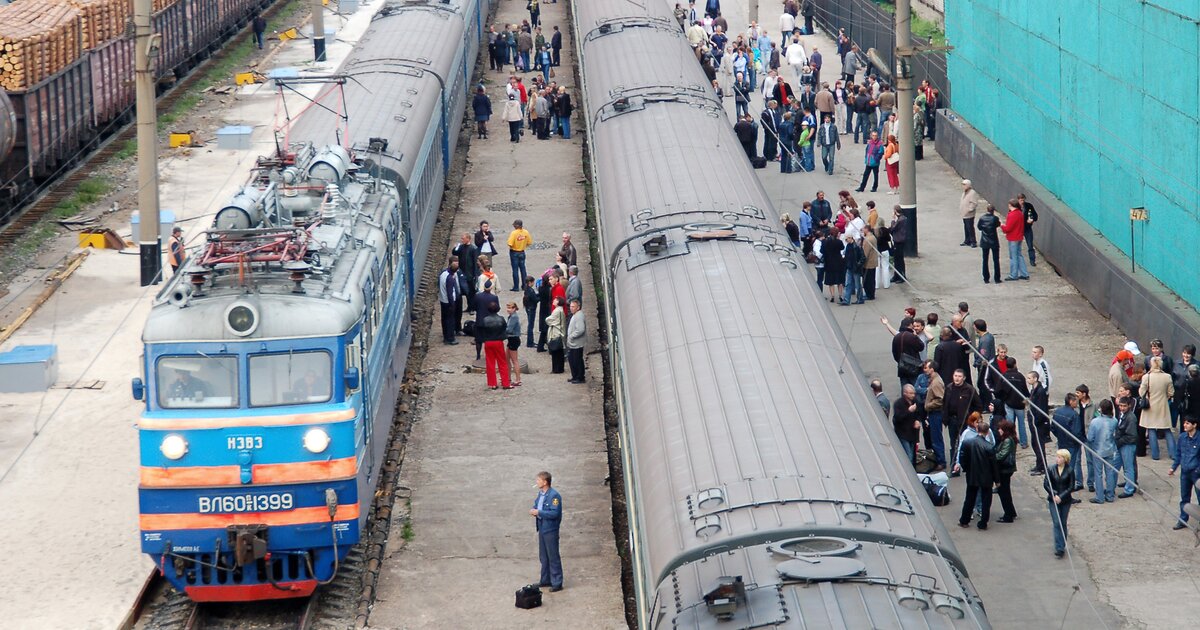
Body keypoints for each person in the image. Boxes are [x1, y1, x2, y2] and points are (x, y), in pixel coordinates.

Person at [958, 418, 997, 530]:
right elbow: (994, 465)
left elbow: (962, 458)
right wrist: (996, 479)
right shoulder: (989, 447)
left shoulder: (967, 443)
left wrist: (966, 469)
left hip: (972, 474)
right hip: (986, 476)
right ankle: (983, 522)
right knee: (986, 500)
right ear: (987, 432)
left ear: (976, 429)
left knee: (969, 497)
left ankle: (964, 520)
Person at [530, 471, 563, 590]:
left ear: (545, 482)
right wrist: (534, 509)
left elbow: (555, 513)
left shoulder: (554, 496)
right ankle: (545, 579)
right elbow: (537, 504)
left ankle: (557, 582)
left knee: (553, 556)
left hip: (550, 529)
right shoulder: (541, 494)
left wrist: (539, 512)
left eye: (539, 480)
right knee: (543, 556)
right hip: (542, 527)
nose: (537, 482)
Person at [1140, 356, 1177, 460]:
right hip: (1163, 405)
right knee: (1167, 429)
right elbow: (1171, 392)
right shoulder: (1167, 377)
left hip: (1150, 405)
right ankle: (1173, 454)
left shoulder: (1147, 377)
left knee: (1151, 429)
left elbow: (1141, 392)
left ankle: (1155, 455)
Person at [1169, 416, 1200, 529]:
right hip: (1185, 473)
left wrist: (1198, 469)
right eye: (1184, 423)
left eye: (1187, 423)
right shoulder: (1182, 437)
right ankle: (1183, 519)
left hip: (1196, 474)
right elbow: (1178, 454)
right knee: (1184, 497)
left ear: (1194, 425)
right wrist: (1174, 467)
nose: (1185, 425)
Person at [1051, 393, 1084, 499]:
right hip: (1071, 445)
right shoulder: (1074, 415)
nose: (1077, 403)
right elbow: (1076, 432)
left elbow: (1053, 428)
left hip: (1061, 443)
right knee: (1069, 469)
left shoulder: (1057, 412)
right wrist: (1080, 441)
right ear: (1071, 401)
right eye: (1075, 401)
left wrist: (1060, 437)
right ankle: (1066, 495)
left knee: (1061, 467)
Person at [1087, 399, 1119, 503]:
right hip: (1110, 449)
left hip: (1097, 450)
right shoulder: (1114, 421)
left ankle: (1099, 497)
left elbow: (1090, 438)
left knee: (1098, 474)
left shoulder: (1095, 422)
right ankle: (1110, 495)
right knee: (1109, 473)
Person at [1046, 449, 1075, 557]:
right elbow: (1046, 484)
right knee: (1056, 522)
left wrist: (1061, 496)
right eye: (1057, 457)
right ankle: (1059, 547)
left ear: (1065, 459)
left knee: (1063, 522)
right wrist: (1054, 494)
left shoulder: (1070, 470)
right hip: (1053, 499)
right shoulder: (1051, 469)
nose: (1057, 459)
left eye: (1060, 457)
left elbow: (1071, 486)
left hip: (1065, 500)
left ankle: (1062, 545)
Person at [479, 302, 511, 390]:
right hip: (498, 342)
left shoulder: (485, 320)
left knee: (490, 363)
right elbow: (505, 329)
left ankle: (493, 383)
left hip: (488, 342)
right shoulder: (501, 319)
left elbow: (482, 331)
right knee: (502, 362)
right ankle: (505, 383)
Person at [993, 419, 1018, 522]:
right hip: (1007, 469)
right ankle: (1011, 512)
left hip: (1004, 469)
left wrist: (992, 457)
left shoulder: (1007, 440)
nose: (999, 430)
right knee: (1005, 491)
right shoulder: (1010, 438)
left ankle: (1008, 515)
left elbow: (1002, 454)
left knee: (1003, 492)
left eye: (1000, 428)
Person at [922, 360, 947, 469]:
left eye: (926, 367)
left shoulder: (936, 383)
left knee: (936, 437)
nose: (924, 369)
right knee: (934, 437)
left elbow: (940, 399)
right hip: (933, 413)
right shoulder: (933, 380)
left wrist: (928, 406)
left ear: (932, 369)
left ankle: (941, 461)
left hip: (936, 413)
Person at [1027, 371, 1051, 475]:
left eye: (1029, 378)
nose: (1028, 380)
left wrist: (1036, 421)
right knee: (1035, 444)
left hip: (1038, 424)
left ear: (1035, 379)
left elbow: (1041, 409)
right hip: (1034, 422)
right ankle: (1039, 464)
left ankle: (1042, 467)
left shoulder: (1040, 392)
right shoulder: (1034, 390)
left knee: (1039, 445)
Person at [891, 317, 925, 388]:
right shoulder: (912, 337)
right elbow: (921, 347)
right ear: (910, 325)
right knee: (916, 388)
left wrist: (900, 361)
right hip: (913, 367)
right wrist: (916, 336)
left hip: (901, 366)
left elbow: (894, 353)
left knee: (905, 388)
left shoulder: (896, 337)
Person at [1000, 199, 1029, 280]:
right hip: (1019, 237)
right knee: (1019, 255)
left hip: (1013, 238)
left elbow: (1007, 229)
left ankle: (1013, 274)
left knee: (1013, 256)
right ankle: (1024, 273)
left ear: (1010, 205)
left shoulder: (1012, 215)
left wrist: (1001, 225)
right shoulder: (1020, 213)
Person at [893, 384, 922, 463]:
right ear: (905, 393)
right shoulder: (898, 404)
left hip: (912, 433)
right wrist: (909, 411)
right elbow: (897, 418)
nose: (913, 395)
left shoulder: (915, 402)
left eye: (914, 393)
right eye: (911, 393)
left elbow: (919, 413)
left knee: (912, 455)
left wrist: (917, 420)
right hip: (903, 433)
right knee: (908, 455)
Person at [438, 256, 462, 345]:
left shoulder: (443, 273)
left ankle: (445, 336)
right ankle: (450, 338)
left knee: (444, 319)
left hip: (442, 300)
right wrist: (452, 304)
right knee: (450, 320)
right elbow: (450, 293)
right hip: (448, 302)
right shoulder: (450, 278)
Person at [976, 204, 1002, 283]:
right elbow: (998, 224)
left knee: (985, 260)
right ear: (993, 211)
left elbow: (979, 227)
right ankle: (997, 278)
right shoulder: (995, 218)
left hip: (985, 241)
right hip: (994, 241)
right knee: (996, 260)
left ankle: (986, 278)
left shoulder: (982, 218)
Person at [565, 300, 586, 383]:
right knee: (572, 359)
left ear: (578, 307)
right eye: (570, 306)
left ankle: (580, 377)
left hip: (577, 343)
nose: (571, 308)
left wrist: (571, 336)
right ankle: (575, 376)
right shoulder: (576, 315)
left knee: (577, 360)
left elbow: (581, 329)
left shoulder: (578, 316)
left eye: (573, 307)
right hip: (574, 343)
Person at [507, 220, 531, 292]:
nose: (514, 226)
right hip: (522, 252)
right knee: (523, 269)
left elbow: (510, 243)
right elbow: (529, 242)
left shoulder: (514, 233)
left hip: (514, 252)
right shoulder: (526, 232)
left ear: (517, 225)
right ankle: (525, 285)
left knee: (515, 270)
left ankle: (516, 286)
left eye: (514, 225)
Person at [545, 297, 566, 373]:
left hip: (556, 333)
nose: (554, 300)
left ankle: (556, 369)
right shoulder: (560, 310)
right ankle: (560, 368)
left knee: (555, 351)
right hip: (560, 332)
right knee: (559, 352)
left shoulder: (557, 311)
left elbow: (549, 320)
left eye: (555, 300)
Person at [505, 302, 523, 387]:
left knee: (514, 360)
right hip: (512, 339)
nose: (508, 309)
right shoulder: (512, 316)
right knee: (507, 359)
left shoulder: (514, 317)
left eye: (510, 308)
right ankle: (508, 377)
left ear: (514, 308)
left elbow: (509, 329)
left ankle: (518, 379)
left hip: (513, 339)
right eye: (508, 308)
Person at [959, 179, 980, 247]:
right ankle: (967, 240)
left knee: (970, 227)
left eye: (964, 185)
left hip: (969, 214)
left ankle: (973, 241)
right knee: (966, 227)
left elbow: (974, 203)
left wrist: (969, 210)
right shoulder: (964, 192)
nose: (963, 186)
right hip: (964, 214)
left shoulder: (972, 193)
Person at [1018, 193, 1038, 265]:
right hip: (1019, 229)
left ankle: (1032, 260)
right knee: (1017, 246)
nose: (1022, 202)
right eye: (1021, 200)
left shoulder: (1029, 206)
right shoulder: (1015, 207)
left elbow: (1035, 216)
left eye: (1023, 200)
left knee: (1030, 245)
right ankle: (1018, 260)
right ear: (1018, 200)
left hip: (1027, 228)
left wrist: (1032, 219)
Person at [889, 205, 907, 282]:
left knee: (899, 259)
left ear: (896, 211)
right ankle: (897, 275)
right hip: (900, 240)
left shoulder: (900, 220)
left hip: (899, 241)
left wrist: (893, 220)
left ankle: (901, 276)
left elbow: (893, 228)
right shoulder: (903, 218)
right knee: (897, 259)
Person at [522, 276, 538, 348]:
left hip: (528, 308)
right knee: (531, 326)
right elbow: (535, 299)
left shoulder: (527, 289)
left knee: (530, 325)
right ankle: (530, 342)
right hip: (532, 308)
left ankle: (530, 341)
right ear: (530, 282)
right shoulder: (531, 290)